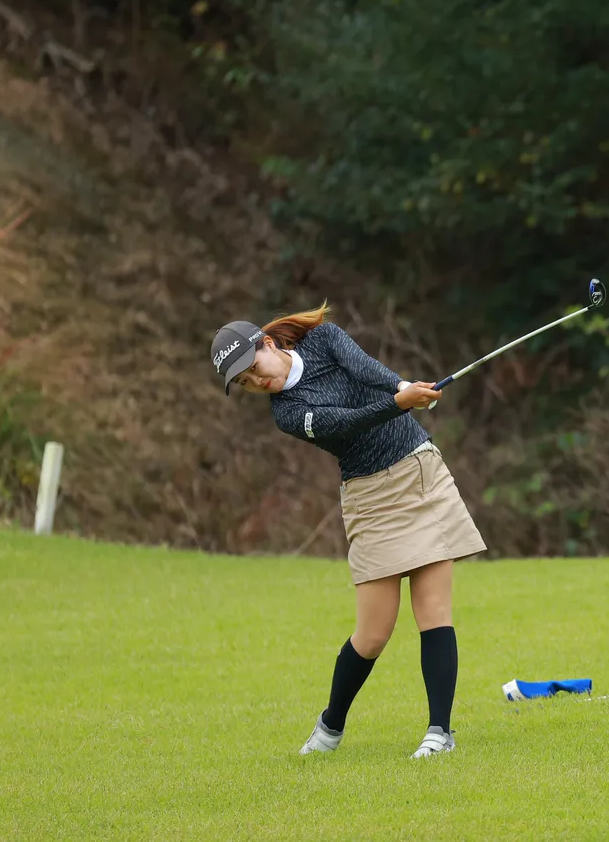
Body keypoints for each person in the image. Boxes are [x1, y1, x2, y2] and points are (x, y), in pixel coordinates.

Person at [208, 302, 486, 759]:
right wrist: (399, 402)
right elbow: (344, 423)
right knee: (373, 634)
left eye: (253, 368)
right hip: (368, 497)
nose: (256, 382)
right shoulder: (287, 413)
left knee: (433, 612)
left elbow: (364, 368)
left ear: (269, 344)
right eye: (244, 383)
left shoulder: (323, 338)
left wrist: (402, 386)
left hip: (418, 471)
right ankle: (330, 726)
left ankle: (440, 733)